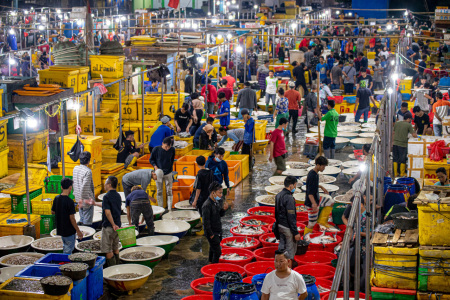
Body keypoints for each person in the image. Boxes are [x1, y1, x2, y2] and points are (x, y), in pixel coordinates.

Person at [52, 178, 83, 254]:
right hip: (69, 230)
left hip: (60, 229)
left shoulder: (56, 198)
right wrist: (78, 231)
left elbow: (53, 212)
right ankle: (65, 264)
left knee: (65, 246)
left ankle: (64, 262)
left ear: (61, 187)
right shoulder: (70, 201)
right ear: (70, 187)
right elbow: (72, 218)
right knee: (68, 249)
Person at [304, 156, 334, 235]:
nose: (324, 168)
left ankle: (322, 221)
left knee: (330, 201)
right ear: (318, 165)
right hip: (311, 201)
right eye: (323, 166)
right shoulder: (312, 175)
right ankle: (306, 237)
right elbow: (309, 192)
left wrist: (321, 187)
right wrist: (314, 204)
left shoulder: (315, 173)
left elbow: (312, 185)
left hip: (316, 198)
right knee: (312, 223)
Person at [202, 181, 229, 264]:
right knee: (218, 252)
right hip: (212, 232)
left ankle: (210, 262)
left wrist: (224, 209)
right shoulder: (206, 205)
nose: (221, 195)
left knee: (212, 249)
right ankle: (214, 267)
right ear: (213, 192)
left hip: (218, 230)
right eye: (219, 193)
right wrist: (211, 234)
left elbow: (220, 215)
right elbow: (206, 222)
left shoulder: (217, 202)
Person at [275, 176, 301, 261]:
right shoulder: (289, 198)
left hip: (279, 225)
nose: (295, 188)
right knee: (290, 251)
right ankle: (288, 269)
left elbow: (276, 212)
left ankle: (279, 264)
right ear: (291, 186)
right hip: (287, 227)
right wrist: (295, 232)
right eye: (295, 185)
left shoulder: (278, 195)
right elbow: (291, 217)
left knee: (281, 247)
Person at [101, 176, 122, 267]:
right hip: (118, 226)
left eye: (106, 183)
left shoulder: (106, 196)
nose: (104, 185)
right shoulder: (118, 195)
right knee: (115, 248)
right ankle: (117, 267)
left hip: (109, 226)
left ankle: (112, 271)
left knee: (108, 250)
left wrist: (112, 224)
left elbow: (107, 212)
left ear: (109, 184)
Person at [150, 137, 175, 210]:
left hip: (168, 172)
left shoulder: (172, 150)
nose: (167, 148)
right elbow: (151, 159)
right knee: (159, 190)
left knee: (169, 190)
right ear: (162, 144)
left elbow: (172, 159)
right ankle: (161, 208)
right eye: (166, 146)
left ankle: (170, 208)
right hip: (159, 172)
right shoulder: (156, 149)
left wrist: (170, 169)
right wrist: (155, 167)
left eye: (169, 147)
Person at [73, 152, 96, 226]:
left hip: (78, 198)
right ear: (89, 161)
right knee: (87, 222)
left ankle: (81, 233)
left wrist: (79, 199)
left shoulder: (75, 168)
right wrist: (85, 200)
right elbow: (84, 187)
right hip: (86, 199)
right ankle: (86, 236)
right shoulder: (87, 171)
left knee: (82, 218)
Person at [393, 112, 417, 177]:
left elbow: (394, 131)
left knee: (395, 158)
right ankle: (402, 173)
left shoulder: (397, 123)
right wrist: (418, 137)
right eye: (410, 119)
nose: (410, 121)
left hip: (395, 144)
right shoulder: (408, 125)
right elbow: (414, 134)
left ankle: (395, 173)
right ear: (408, 119)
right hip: (403, 144)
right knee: (402, 159)